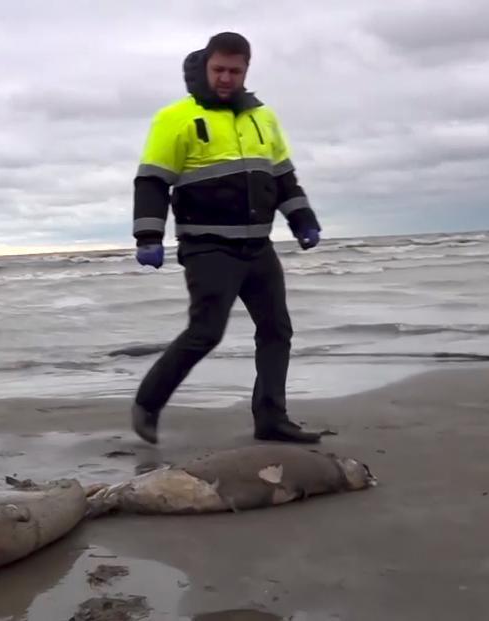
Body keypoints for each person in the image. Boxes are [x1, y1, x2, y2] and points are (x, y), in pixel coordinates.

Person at [129, 32, 325, 445]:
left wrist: (302, 219)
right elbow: (152, 181)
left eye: (235, 71)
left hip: (258, 247)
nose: (225, 78)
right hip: (208, 246)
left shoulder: (263, 118)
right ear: (206, 66)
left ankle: (271, 418)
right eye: (219, 69)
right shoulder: (175, 118)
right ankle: (148, 403)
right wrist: (148, 234)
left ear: (246, 71)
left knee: (277, 330)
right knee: (206, 332)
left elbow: (283, 177)